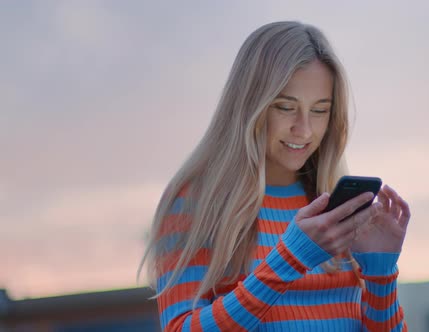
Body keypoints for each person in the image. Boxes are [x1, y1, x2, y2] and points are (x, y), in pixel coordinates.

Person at [138, 21, 411, 332]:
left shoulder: (333, 210)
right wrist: (289, 259)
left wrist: (380, 271)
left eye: (320, 111)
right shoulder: (196, 203)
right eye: (285, 107)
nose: (304, 129)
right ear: (250, 105)